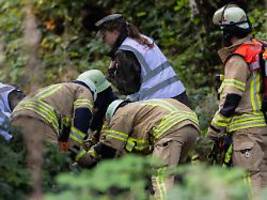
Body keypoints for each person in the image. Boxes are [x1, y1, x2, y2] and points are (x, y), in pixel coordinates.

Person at [10, 69, 114, 199]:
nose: (95, 109)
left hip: (15, 121)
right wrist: (86, 157)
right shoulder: (83, 90)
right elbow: (82, 116)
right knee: (57, 172)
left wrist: (86, 160)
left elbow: (65, 146)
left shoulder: (60, 93)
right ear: (96, 92)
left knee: (26, 172)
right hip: (40, 122)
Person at [76, 98, 200, 199]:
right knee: (176, 174)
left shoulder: (121, 113)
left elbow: (110, 147)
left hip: (170, 128)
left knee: (161, 176)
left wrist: (94, 162)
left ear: (112, 116)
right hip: (191, 126)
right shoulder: (142, 111)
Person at [208, 4, 267, 193]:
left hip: (246, 130)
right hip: (262, 126)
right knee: (263, 177)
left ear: (227, 33)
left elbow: (231, 98)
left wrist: (214, 128)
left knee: (252, 180)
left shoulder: (238, 58)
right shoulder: (260, 50)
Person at [95, 14, 190, 106]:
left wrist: (111, 73)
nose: (104, 40)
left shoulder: (125, 51)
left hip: (160, 103)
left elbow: (129, 88)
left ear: (115, 32)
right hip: (179, 95)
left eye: (104, 36)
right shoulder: (143, 39)